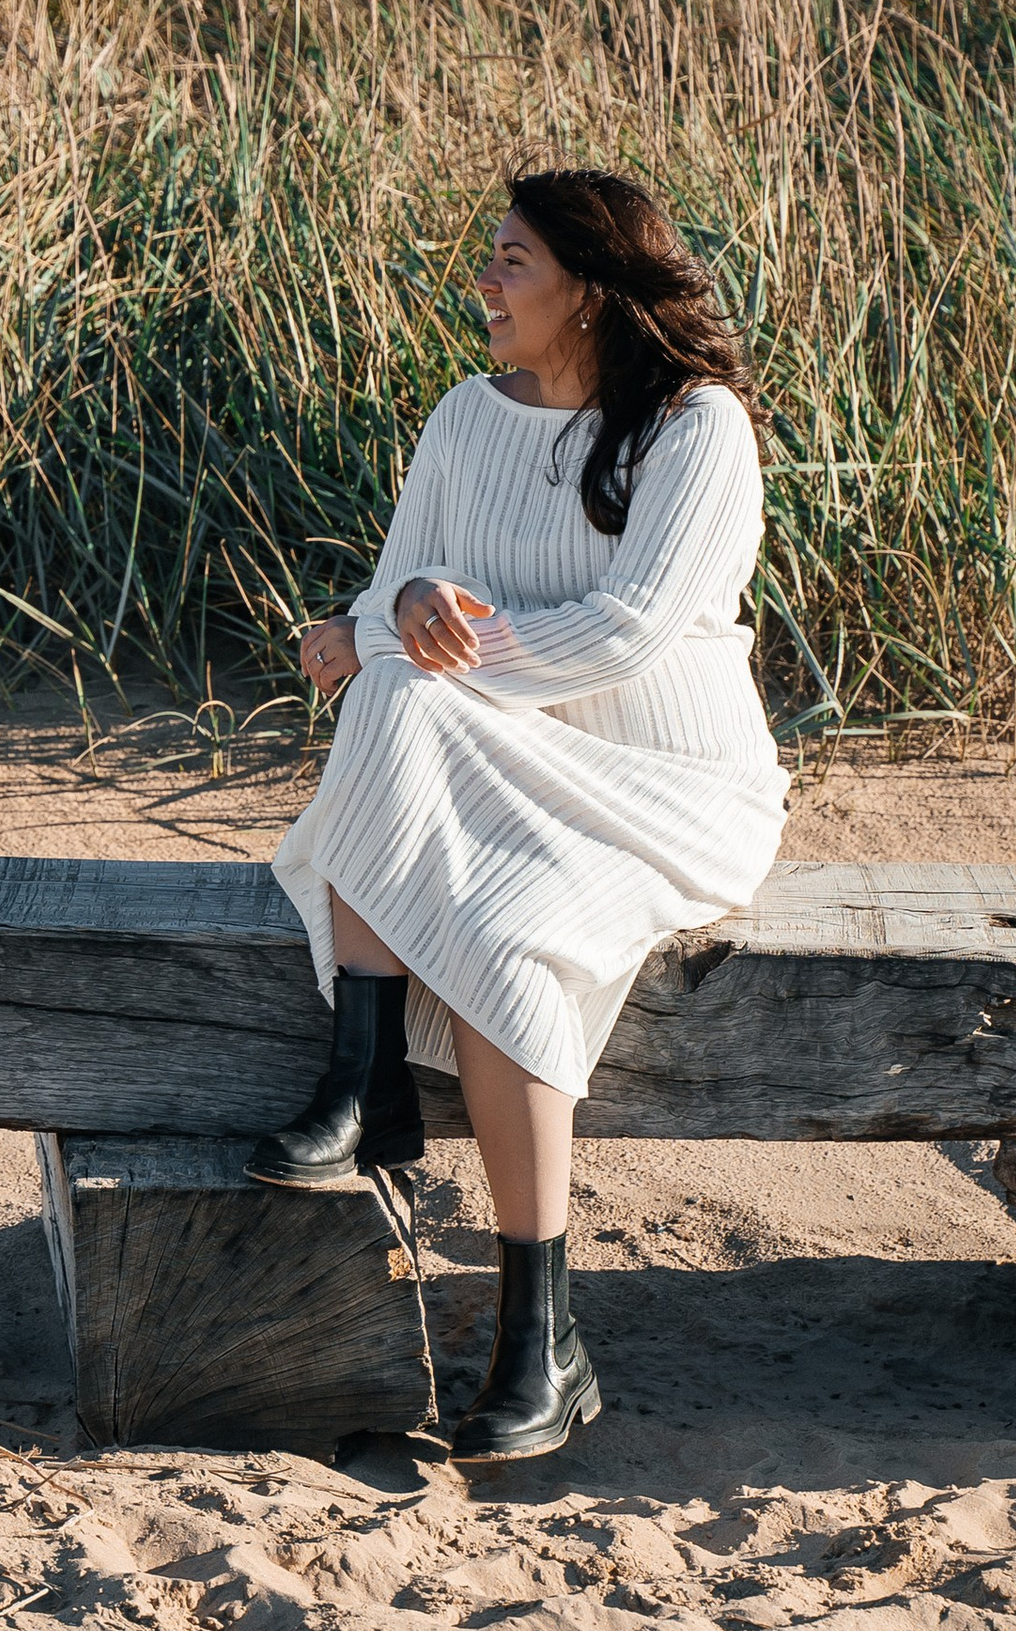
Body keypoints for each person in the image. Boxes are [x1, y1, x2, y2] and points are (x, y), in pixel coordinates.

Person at [256, 166, 786, 1463]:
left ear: (590, 293)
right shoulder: (461, 418)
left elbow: (627, 631)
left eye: (511, 262)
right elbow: (395, 599)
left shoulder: (695, 430)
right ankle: (374, 1082)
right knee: (395, 699)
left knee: (512, 920)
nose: (483, 283)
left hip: (668, 788)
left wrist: (408, 641)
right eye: (490, 257)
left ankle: (527, 1323)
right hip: (502, 767)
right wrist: (398, 618)